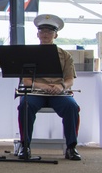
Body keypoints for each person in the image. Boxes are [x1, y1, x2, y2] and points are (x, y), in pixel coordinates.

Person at [17, 14, 81, 161]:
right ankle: (25, 146)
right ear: (38, 34)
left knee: (72, 107)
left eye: (49, 32)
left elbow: (70, 79)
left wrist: (61, 86)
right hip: (36, 92)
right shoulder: (29, 54)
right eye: (43, 31)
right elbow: (25, 81)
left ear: (56, 35)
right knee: (25, 106)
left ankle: (71, 147)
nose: (46, 34)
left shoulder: (65, 56)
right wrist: (43, 86)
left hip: (58, 93)